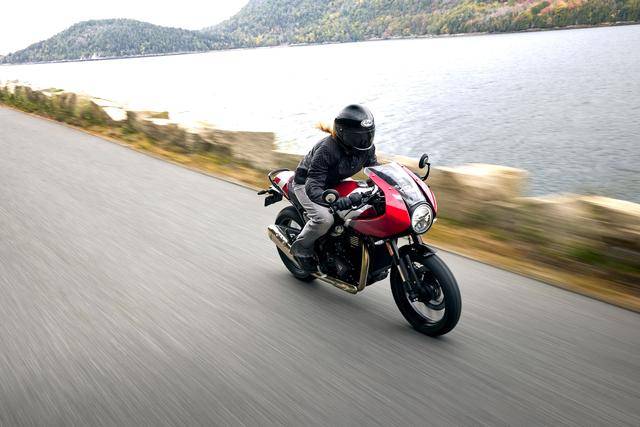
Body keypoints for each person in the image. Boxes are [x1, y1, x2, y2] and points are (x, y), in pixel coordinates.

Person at [290, 104, 379, 271]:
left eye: (368, 135)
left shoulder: (366, 148)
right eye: (358, 137)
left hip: (335, 181)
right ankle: (301, 250)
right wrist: (336, 201)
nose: (364, 140)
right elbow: (313, 184)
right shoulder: (327, 150)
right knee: (325, 219)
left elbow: (375, 171)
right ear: (344, 134)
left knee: (363, 208)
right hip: (307, 184)